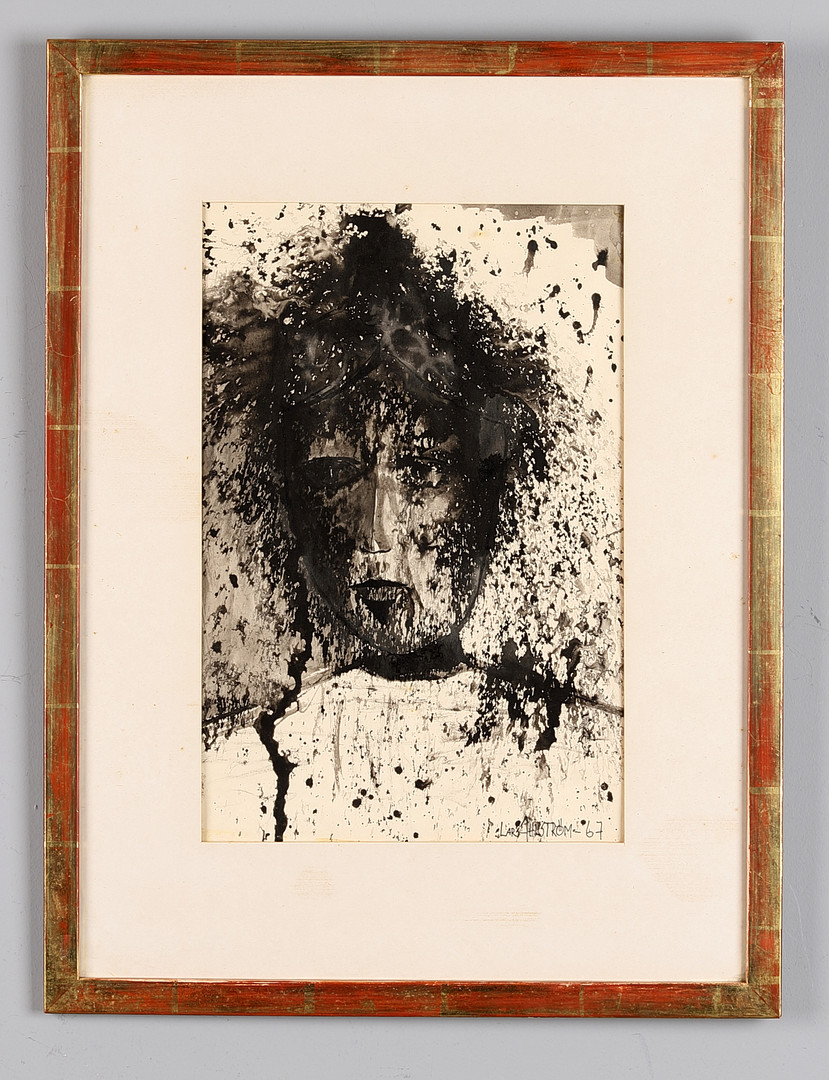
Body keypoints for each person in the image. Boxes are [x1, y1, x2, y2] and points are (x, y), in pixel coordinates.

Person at [202, 209, 621, 842]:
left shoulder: (597, 762)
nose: (376, 534)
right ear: (293, 497)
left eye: (423, 472)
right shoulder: (235, 777)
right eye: (334, 474)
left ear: (487, 486)